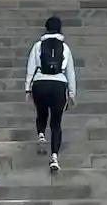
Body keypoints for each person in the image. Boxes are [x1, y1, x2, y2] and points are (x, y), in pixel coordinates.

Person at [24, 14, 77, 175]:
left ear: (46, 28)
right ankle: (54, 157)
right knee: (56, 123)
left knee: (41, 112)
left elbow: (30, 68)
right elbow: (70, 72)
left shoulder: (38, 46)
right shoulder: (65, 48)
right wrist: (72, 93)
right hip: (58, 85)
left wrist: (27, 88)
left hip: (40, 83)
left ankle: (41, 135)